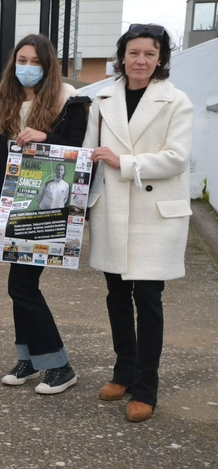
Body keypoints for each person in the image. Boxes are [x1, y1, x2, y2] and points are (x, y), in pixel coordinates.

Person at [83, 24, 193, 422]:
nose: (141, 60)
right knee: (116, 295)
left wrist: (124, 162)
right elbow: (87, 152)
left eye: (150, 53)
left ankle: (146, 388)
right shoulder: (103, 97)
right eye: (134, 52)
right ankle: (123, 372)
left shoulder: (176, 101)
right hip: (112, 209)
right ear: (122, 56)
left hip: (153, 217)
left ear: (161, 58)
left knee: (148, 302)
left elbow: (177, 157)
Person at [0, 34, 90, 395]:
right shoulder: (7, 105)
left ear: (47, 66)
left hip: (49, 213)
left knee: (22, 287)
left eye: (35, 61)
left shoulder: (70, 102)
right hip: (14, 209)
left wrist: (44, 136)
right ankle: (30, 358)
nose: (26, 67)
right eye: (21, 59)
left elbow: (79, 151)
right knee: (20, 287)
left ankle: (60, 365)